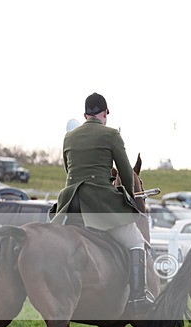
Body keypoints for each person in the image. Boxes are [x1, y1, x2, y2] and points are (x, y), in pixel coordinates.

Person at [51, 92, 153, 315]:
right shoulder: (111, 134)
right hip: (99, 204)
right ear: (105, 113)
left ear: (85, 114)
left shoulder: (69, 137)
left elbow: (69, 170)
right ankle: (138, 297)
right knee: (136, 241)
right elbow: (126, 173)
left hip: (70, 205)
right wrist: (132, 199)